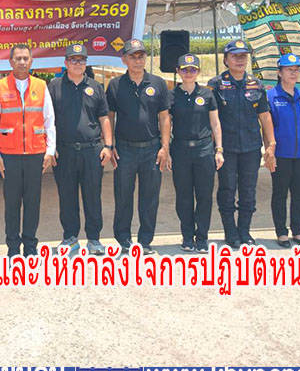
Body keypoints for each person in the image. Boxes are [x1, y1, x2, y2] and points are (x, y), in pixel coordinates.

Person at [0, 43, 56, 257]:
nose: (22, 62)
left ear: (31, 61)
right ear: (11, 62)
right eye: (18, 58)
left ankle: (30, 247)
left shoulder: (41, 86)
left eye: (25, 58)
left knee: (33, 203)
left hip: (36, 154)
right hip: (9, 155)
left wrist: (50, 150)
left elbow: (49, 120)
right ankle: (13, 249)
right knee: (12, 204)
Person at [208, 40, 276, 248]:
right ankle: (230, 231)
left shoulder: (257, 85)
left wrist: (270, 145)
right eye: (235, 56)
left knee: (248, 190)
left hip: (251, 147)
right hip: (226, 147)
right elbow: (211, 119)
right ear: (225, 60)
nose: (239, 60)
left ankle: (244, 231)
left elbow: (265, 116)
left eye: (243, 56)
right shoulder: (216, 84)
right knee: (227, 190)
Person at [106, 38, 171, 255]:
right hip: (124, 150)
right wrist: (110, 144)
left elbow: (164, 117)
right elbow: (109, 116)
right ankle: (124, 240)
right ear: (124, 59)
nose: (137, 60)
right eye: (132, 56)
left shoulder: (158, 83)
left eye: (141, 56)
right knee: (123, 196)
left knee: (149, 197)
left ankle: (145, 241)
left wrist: (165, 147)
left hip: (152, 150)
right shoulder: (115, 85)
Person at [48, 44, 112, 255]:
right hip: (64, 151)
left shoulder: (96, 86)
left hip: (92, 151)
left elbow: (104, 118)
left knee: (92, 196)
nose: (77, 63)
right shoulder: (55, 86)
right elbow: (47, 120)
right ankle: (70, 238)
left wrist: (108, 146)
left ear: (86, 63)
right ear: (66, 63)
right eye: (73, 60)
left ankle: (94, 239)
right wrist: (51, 147)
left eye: (81, 60)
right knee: (67, 196)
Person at [169, 53, 224, 252]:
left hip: (204, 150)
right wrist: (166, 149)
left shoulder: (207, 95)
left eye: (193, 69)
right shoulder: (172, 96)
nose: (189, 73)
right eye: (185, 69)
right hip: (180, 149)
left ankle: (201, 238)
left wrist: (219, 149)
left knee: (204, 195)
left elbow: (215, 124)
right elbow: (166, 123)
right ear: (178, 71)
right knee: (183, 196)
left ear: (198, 72)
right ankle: (187, 236)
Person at [267, 53, 300, 248]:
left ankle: (298, 231)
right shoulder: (271, 96)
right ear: (279, 72)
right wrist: (269, 152)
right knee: (280, 193)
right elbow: (267, 126)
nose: (293, 73)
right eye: (289, 70)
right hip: (282, 153)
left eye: (296, 70)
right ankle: (281, 232)